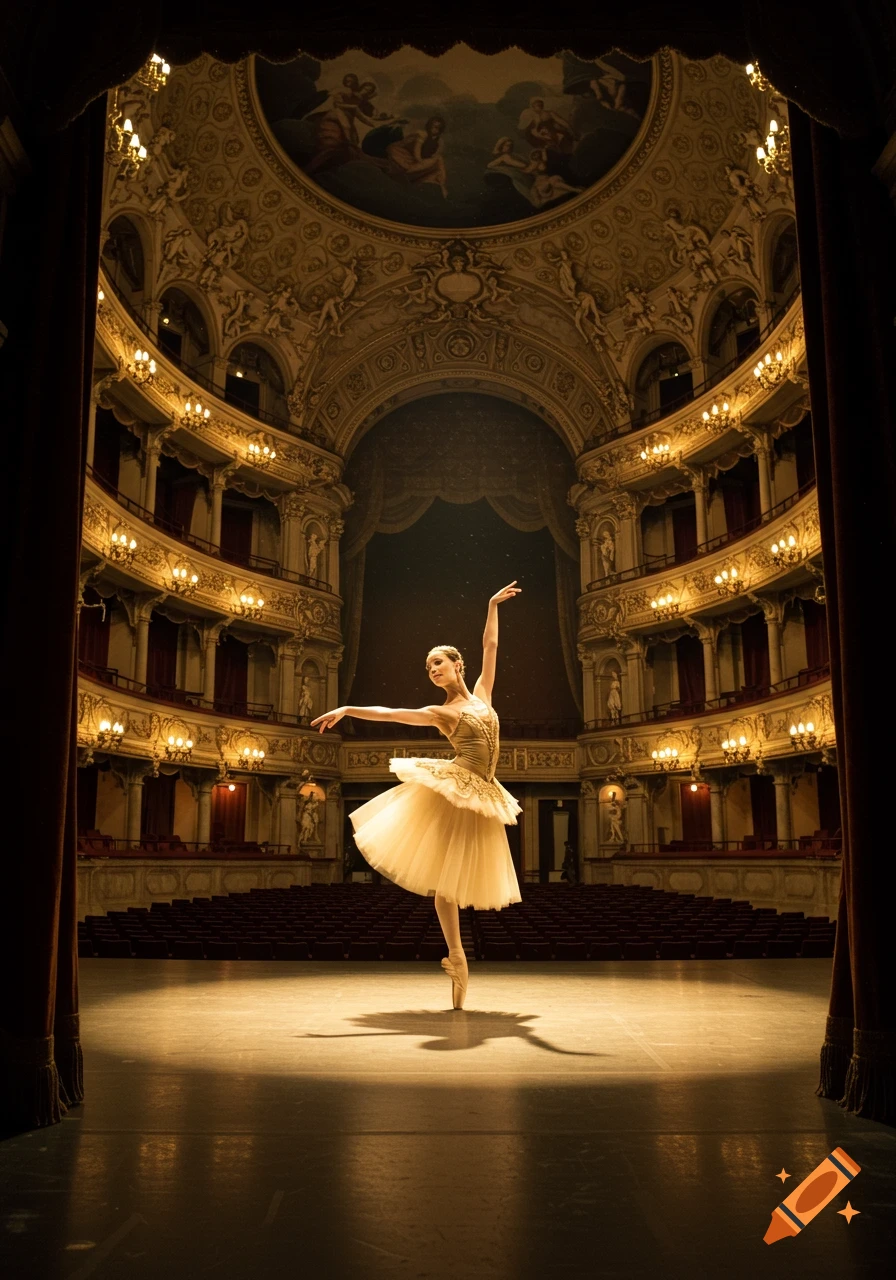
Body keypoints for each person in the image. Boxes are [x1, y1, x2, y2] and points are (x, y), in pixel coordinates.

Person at [311, 581, 523, 1009]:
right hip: (457, 784)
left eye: (438, 662)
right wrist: (348, 709)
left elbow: (492, 644)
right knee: (445, 881)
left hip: (483, 789)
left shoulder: (482, 694)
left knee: (458, 877)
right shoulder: (439, 713)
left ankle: (459, 959)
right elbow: (391, 714)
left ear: (458, 665)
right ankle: (458, 956)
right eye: (428, 667)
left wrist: (490, 605)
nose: (433, 670)